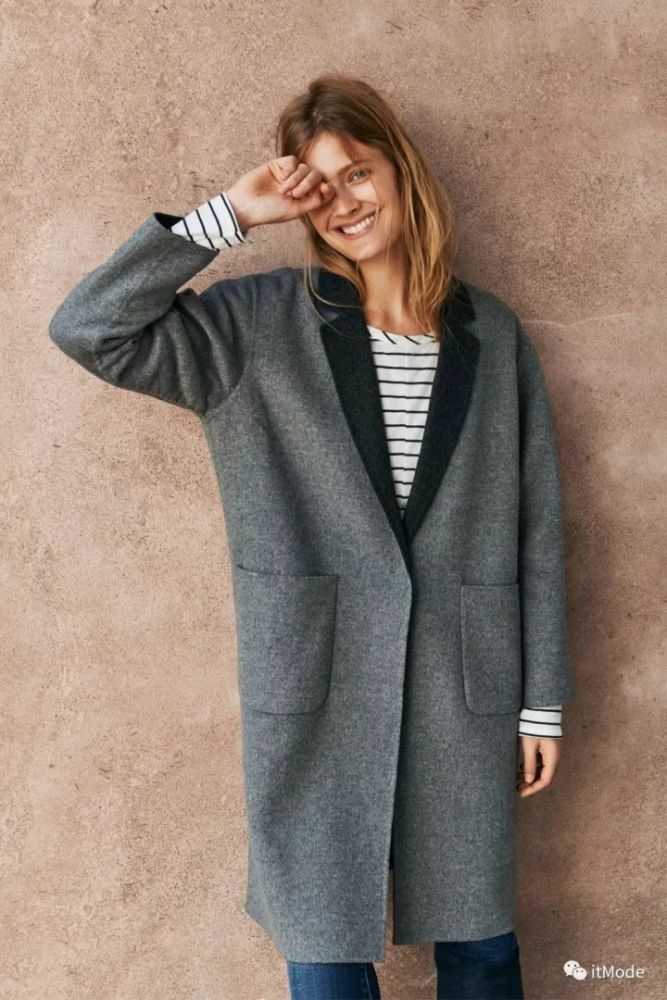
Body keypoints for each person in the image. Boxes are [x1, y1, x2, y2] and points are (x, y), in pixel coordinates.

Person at [49, 74, 574, 999]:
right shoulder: (256, 326)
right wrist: (228, 216)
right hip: (316, 679)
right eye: (318, 187)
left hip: (463, 682)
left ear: (399, 170)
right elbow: (92, 329)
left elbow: (536, 526)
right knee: (324, 954)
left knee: (482, 948)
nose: (343, 202)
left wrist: (541, 703)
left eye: (357, 172)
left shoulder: (490, 334)